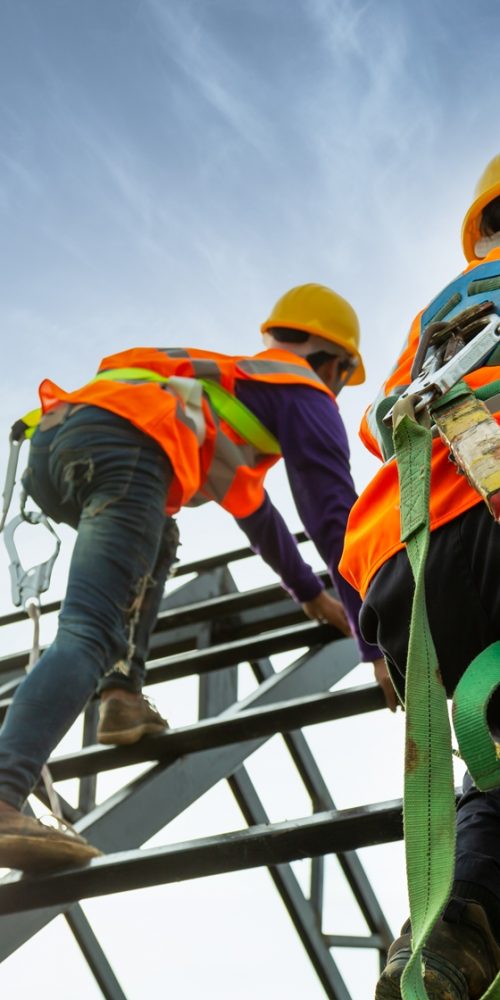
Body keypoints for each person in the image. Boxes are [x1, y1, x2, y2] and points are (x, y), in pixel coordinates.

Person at [0, 281, 386, 873]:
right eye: (341, 377)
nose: (335, 391)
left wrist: (309, 592)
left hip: (58, 445)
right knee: (90, 632)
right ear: (331, 360)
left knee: (161, 535)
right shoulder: (304, 392)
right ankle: (3, 792)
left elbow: (259, 517)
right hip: (127, 448)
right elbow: (335, 518)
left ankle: (122, 696)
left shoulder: (227, 393)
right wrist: (375, 639)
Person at [339, 157, 500, 999]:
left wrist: (372, 632)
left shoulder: (441, 309)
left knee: (497, 770)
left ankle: (450, 933)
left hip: (406, 565)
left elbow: (386, 428)